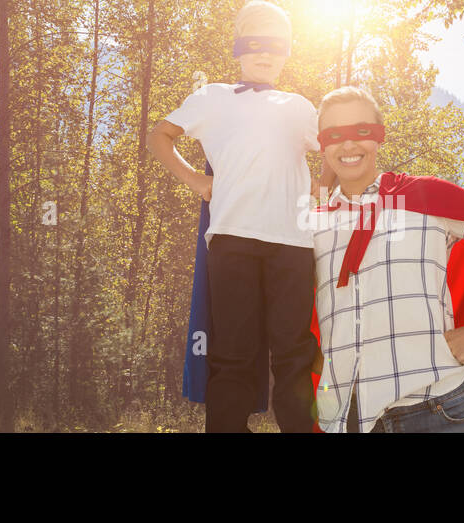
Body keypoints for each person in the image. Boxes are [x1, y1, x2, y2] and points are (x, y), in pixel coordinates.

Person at [308, 86, 464, 433]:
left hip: (440, 410)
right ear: (323, 145)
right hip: (348, 419)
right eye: (335, 134)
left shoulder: (422, 196)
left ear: (379, 137)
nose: (348, 145)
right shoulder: (311, 225)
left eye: (361, 131)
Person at [148, 0, 320, 432]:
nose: (266, 54)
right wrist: (195, 181)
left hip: (293, 243)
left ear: (287, 52)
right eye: (256, 43)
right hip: (232, 239)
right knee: (234, 353)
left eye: (277, 46)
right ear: (238, 48)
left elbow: (332, 147)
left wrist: (324, 186)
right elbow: (160, 136)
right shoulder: (212, 97)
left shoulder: (299, 105)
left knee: (294, 351)